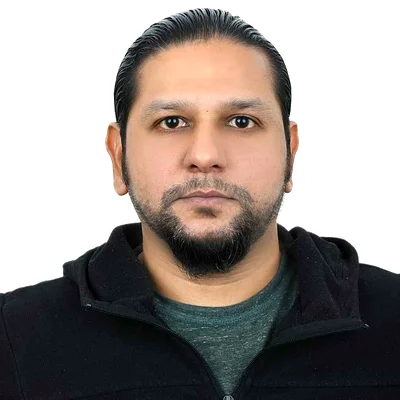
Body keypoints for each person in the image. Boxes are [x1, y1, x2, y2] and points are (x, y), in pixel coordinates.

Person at [1, 7, 399, 400]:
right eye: (171, 122)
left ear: (290, 153)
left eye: (241, 121)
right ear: (118, 155)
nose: (205, 155)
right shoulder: (14, 339)